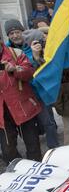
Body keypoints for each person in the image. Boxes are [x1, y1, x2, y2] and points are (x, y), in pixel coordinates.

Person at [0, 36, 42, 164]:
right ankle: (17, 172)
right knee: (8, 150)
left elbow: (30, 73)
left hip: (24, 108)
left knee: (33, 146)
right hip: (2, 114)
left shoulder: (16, 53)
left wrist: (15, 69)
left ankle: (36, 170)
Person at [23, 29, 59, 149]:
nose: (40, 43)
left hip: (44, 92)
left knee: (49, 121)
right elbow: (30, 73)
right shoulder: (24, 55)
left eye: (41, 40)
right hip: (33, 94)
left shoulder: (45, 51)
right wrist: (35, 57)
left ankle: (53, 145)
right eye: (36, 41)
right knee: (44, 123)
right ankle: (48, 148)